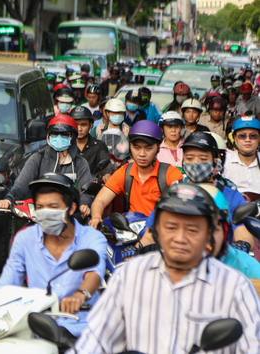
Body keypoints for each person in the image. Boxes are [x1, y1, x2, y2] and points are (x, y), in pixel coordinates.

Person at [76, 183, 260, 353]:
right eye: (171, 227)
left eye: (192, 229)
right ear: (156, 230)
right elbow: (96, 342)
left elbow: (251, 346)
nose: (180, 238)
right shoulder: (129, 277)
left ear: (208, 235)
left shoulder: (236, 287)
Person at [0, 174, 107, 339]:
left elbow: (94, 273)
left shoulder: (92, 237)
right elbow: (8, 282)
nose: (45, 212)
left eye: (53, 207)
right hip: (36, 328)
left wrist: (80, 295)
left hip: (83, 329)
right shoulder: (25, 239)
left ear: (70, 208)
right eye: (40, 207)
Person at [141, 131, 254, 248]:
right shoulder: (172, 193)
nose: (196, 163)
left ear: (215, 161)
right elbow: (149, 236)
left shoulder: (231, 196)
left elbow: (243, 232)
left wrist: (242, 245)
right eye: (189, 158)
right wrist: (137, 250)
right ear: (183, 161)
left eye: (203, 158)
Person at [88, 121, 183, 226]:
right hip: (131, 231)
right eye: (136, 147)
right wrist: (96, 217)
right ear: (130, 147)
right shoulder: (125, 172)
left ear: (158, 148)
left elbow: (180, 206)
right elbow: (100, 200)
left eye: (148, 148)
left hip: (160, 230)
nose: (142, 154)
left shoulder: (171, 174)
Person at [0, 115, 94, 217]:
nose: (59, 138)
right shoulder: (37, 158)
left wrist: (84, 205)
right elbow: (21, 185)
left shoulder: (80, 163)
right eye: (54, 134)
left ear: (73, 137)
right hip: (39, 215)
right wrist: (9, 199)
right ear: (48, 136)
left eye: (65, 134)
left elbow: (86, 191)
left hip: (70, 217)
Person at [70, 106, 113, 182]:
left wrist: (106, 173)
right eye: (76, 125)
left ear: (90, 125)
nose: (79, 129)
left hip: (91, 186)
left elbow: (106, 164)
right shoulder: (65, 146)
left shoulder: (99, 145)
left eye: (84, 125)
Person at [223, 116, 260, 195]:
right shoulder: (224, 161)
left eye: (253, 136)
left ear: (259, 138)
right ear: (235, 138)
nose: (247, 140)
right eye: (242, 136)